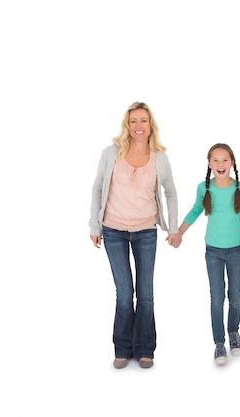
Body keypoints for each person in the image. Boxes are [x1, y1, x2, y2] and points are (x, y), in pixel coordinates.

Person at [89, 101, 181, 369]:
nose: (138, 126)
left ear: (150, 125)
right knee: (124, 293)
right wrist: (95, 226)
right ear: (127, 126)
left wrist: (173, 227)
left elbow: (171, 192)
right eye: (133, 121)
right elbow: (97, 188)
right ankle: (122, 347)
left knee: (146, 293)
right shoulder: (110, 153)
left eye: (143, 121)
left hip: (145, 233)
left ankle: (144, 348)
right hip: (113, 230)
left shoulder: (160, 158)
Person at [179, 143, 240, 366]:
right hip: (213, 250)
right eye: (216, 160)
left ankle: (233, 332)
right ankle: (219, 342)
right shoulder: (204, 188)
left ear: (232, 162)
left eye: (225, 160)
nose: (220, 164)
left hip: (236, 251)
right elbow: (195, 211)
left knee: (236, 297)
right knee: (216, 298)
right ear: (209, 164)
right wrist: (179, 233)